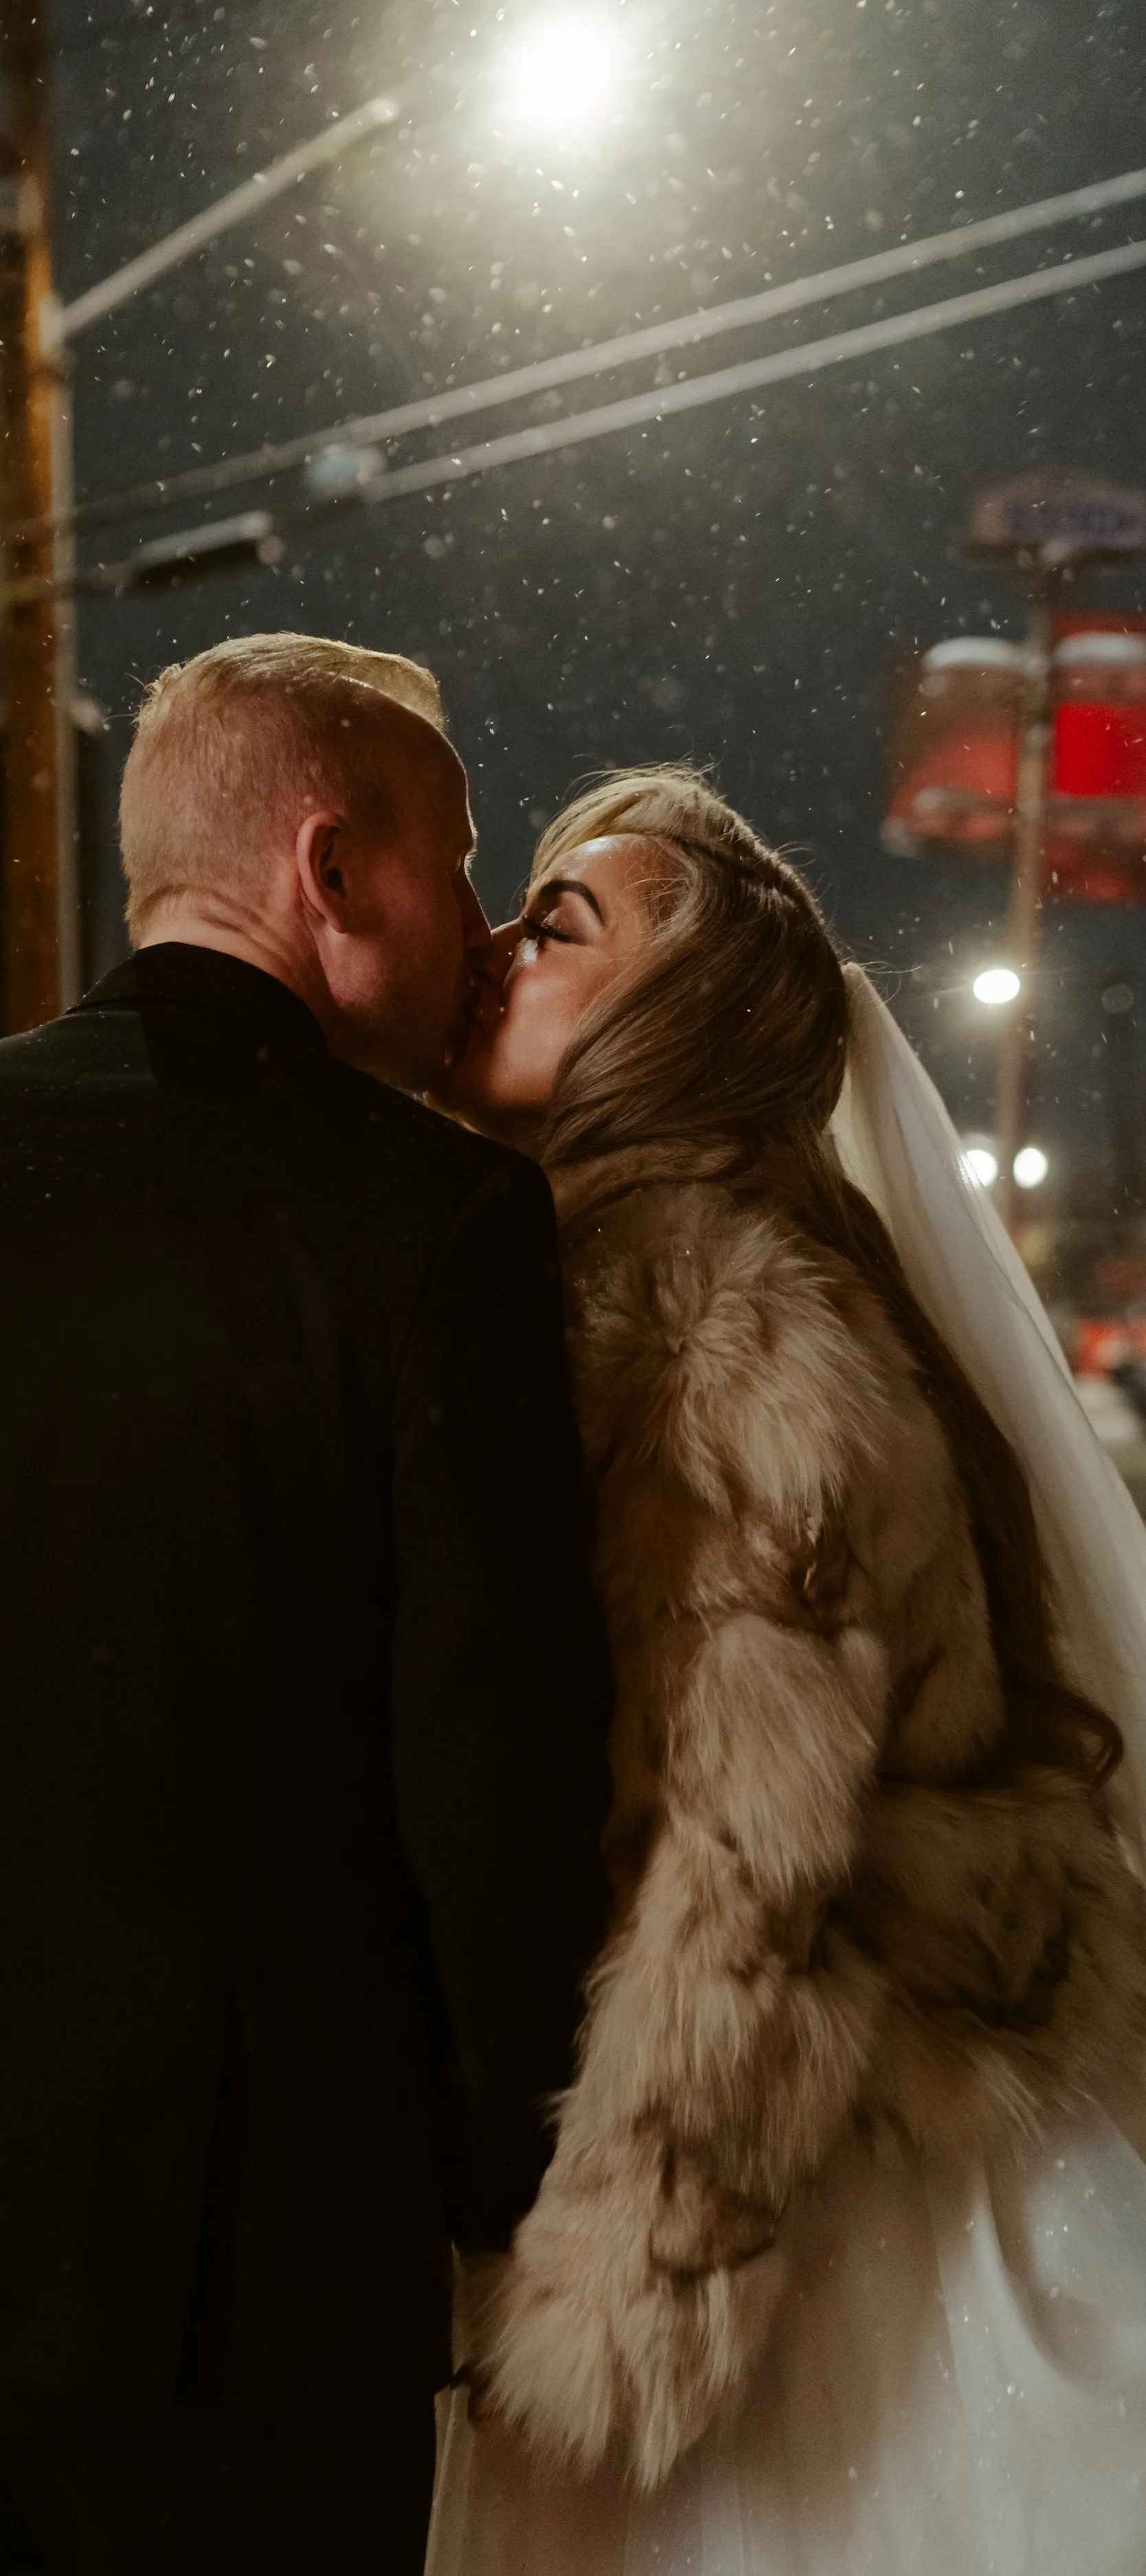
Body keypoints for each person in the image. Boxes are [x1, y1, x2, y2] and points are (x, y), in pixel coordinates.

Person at [0, 633, 614, 2575]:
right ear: (329, 870)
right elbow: (493, 1768)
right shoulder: (433, 1229)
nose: (483, 920)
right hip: (235, 2261)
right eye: (457, 857)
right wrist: (515, 2173)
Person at [428, 765, 1146, 2576]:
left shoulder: (701, 1316)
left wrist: (623, 2307)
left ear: (684, 1021)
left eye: (560, 923)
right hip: (866, 2146)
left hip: (762, 2236)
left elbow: (738, 1880)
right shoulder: (739, 1266)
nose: (495, 948)